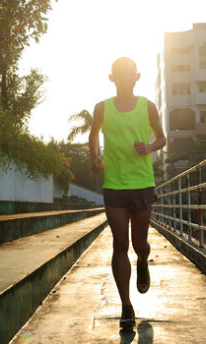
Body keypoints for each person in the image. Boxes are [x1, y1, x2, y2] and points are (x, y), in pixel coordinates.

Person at [89, 57, 166, 329]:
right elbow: (93, 135)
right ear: (112, 78)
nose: (123, 78)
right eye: (119, 74)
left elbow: (162, 138)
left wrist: (149, 147)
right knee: (119, 245)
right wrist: (95, 157)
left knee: (138, 245)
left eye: (128, 74)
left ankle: (143, 260)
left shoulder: (148, 107)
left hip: (143, 184)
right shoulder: (102, 108)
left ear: (137, 77)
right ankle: (126, 306)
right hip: (114, 185)